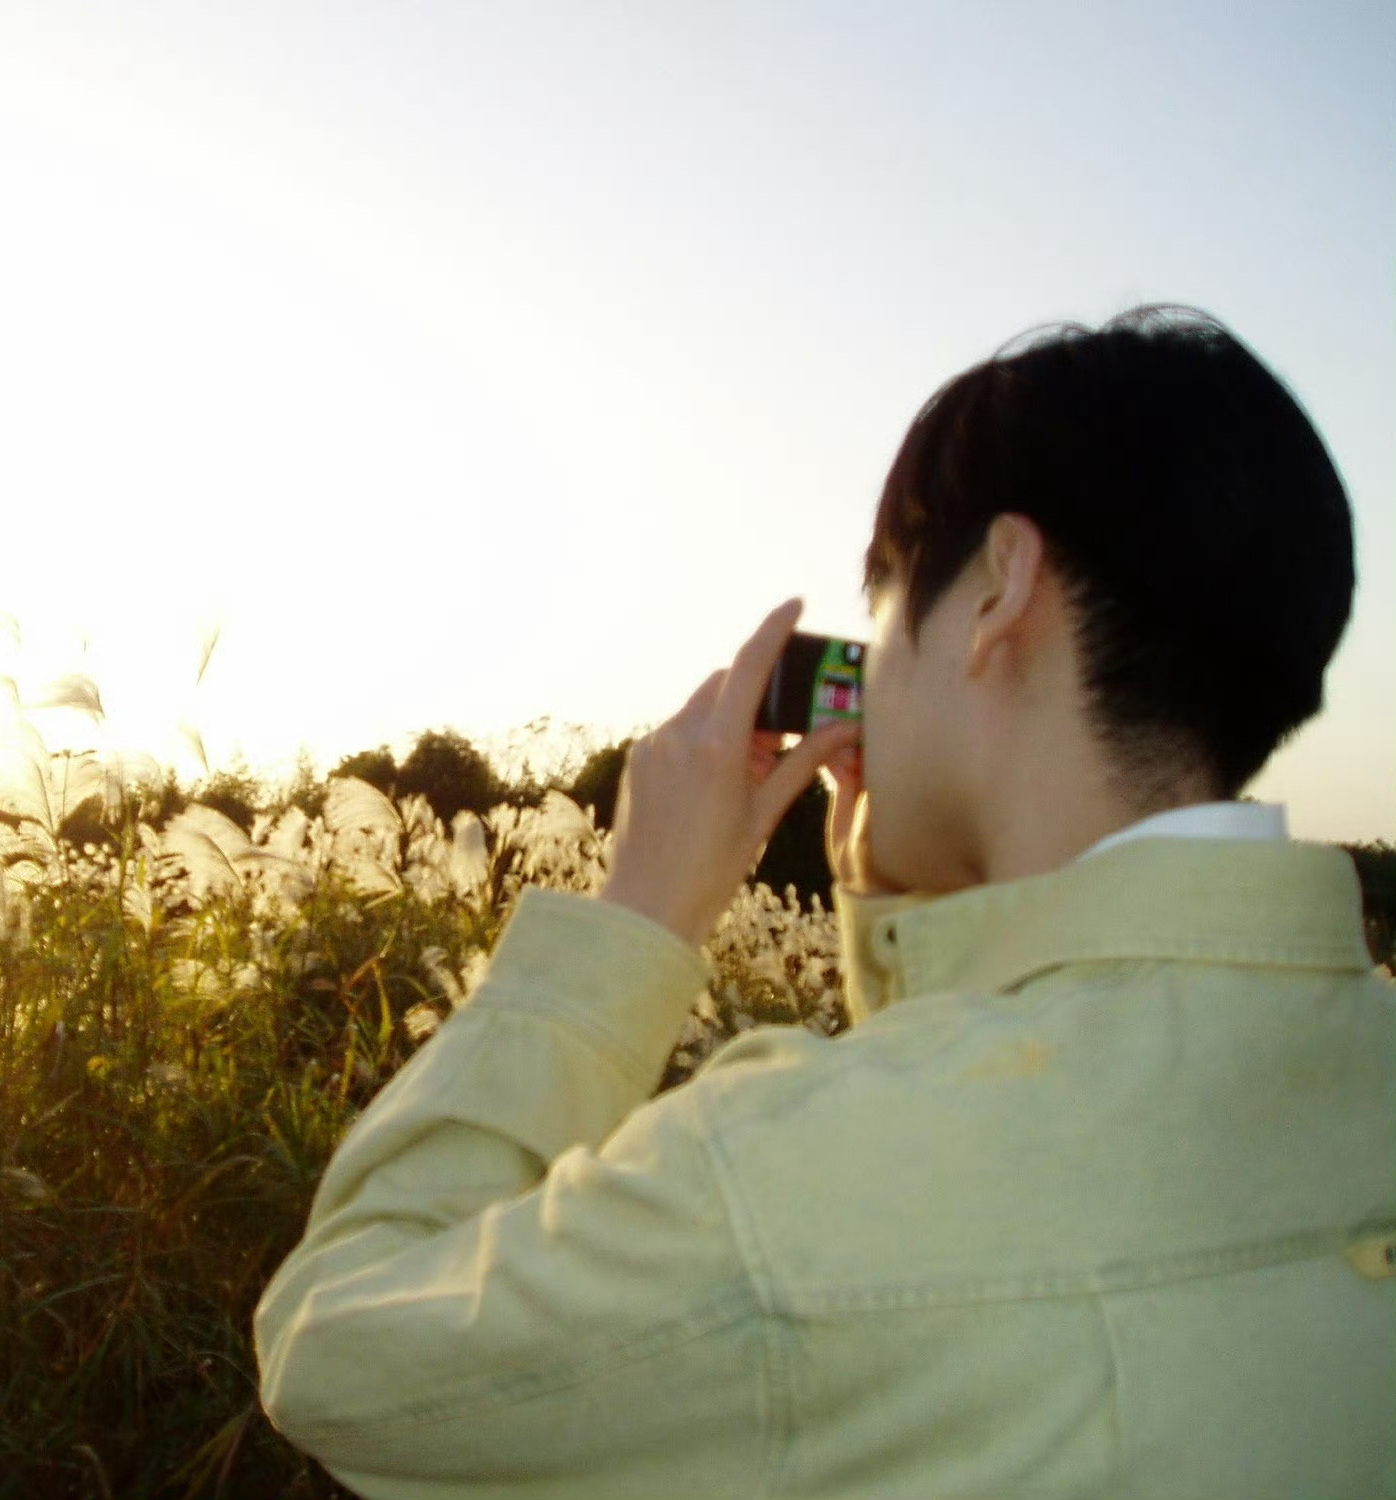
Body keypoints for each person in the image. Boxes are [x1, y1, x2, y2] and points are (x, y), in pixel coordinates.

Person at [252, 306, 1394, 1499]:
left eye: (887, 599)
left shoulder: (776, 1184)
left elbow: (336, 1347)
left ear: (998, 587)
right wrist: (893, 910)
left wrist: (635, 915)